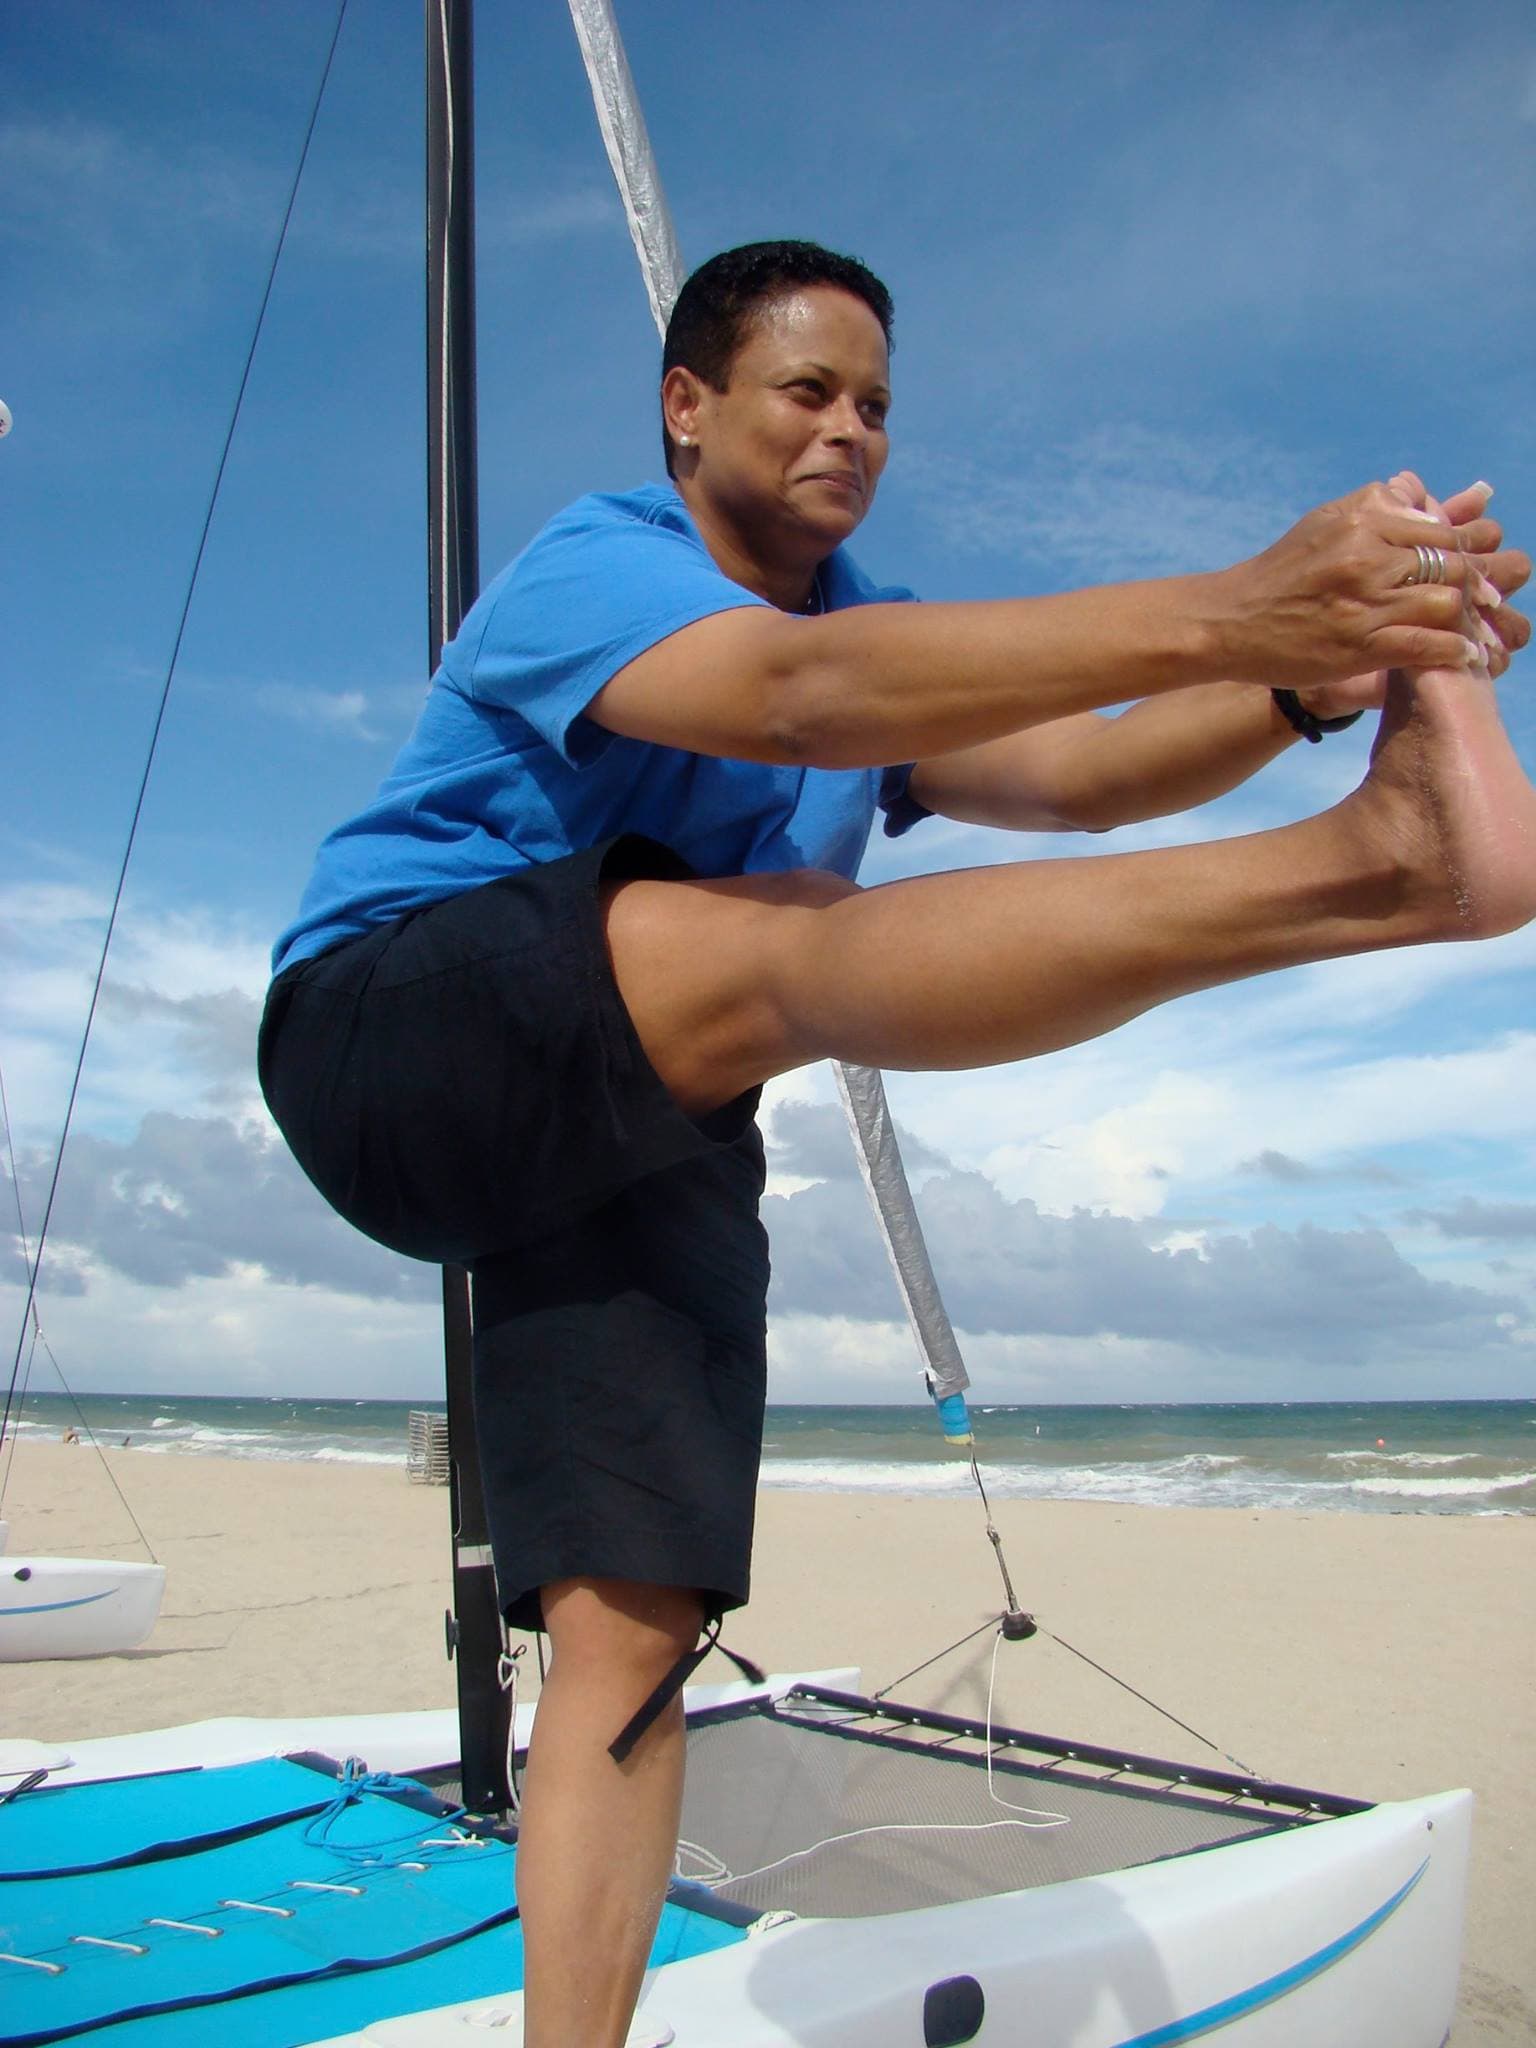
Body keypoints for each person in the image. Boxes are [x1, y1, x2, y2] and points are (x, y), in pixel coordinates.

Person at [259, 241, 1531, 2047]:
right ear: (688, 405)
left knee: (628, 1639)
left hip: (651, 1110)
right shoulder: (599, 566)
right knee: (779, 932)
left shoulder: (878, 638)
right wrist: (1252, 602)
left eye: (876, 406)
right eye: (808, 391)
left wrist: (1319, 681)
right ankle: (1374, 868)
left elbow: (1084, 770)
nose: (852, 430)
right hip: (395, 1033)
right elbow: (800, 698)